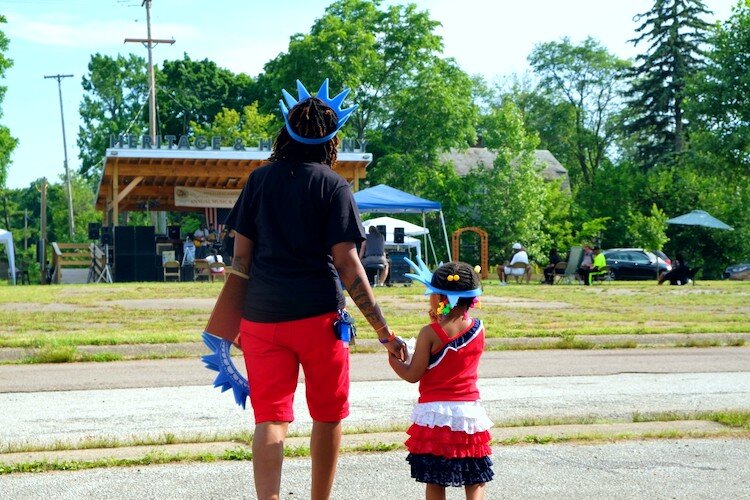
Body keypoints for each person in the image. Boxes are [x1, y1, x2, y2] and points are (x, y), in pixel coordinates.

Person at [225, 79, 407, 500]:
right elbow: (347, 263)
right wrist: (382, 330)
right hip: (319, 321)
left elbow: (241, 261)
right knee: (327, 417)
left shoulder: (259, 181)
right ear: (332, 138)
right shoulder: (333, 185)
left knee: (270, 419)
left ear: (285, 132)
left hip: (261, 320)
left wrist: (233, 321)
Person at [388, 260, 493, 500]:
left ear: (442, 299)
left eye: (432, 295)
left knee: (436, 480)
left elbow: (413, 374)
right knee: (474, 477)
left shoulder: (430, 332)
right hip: (469, 415)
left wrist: (393, 359)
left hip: (435, 415)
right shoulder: (479, 328)